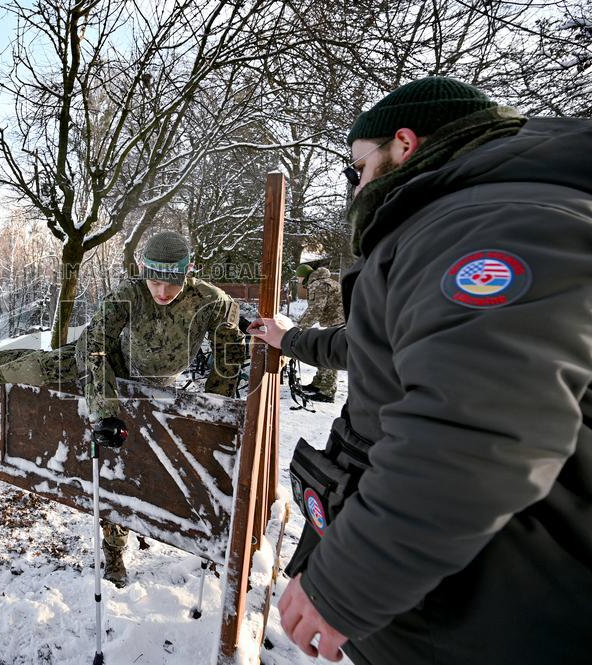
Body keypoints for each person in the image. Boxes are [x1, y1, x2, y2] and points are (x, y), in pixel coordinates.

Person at [250, 77, 591, 664]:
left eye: (359, 167)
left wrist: (348, 583)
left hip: (496, 614)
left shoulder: (483, 220)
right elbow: (372, 344)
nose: (356, 186)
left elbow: (481, 426)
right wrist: (289, 339)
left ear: (403, 145)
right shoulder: (462, 214)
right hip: (465, 594)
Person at [0, 230, 249, 587]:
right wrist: (103, 410)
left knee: (135, 469)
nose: (161, 292)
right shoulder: (128, 295)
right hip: (105, 366)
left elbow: (228, 360)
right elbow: (94, 346)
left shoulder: (212, 302)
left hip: (155, 388)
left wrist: (216, 413)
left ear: (188, 274)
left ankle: (121, 541)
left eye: (171, 283)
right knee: (34, 367)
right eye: (154, 280)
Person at [293, 264, 344, 402]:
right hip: (335, 322)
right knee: (322, 351)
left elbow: (315, 310)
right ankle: (318, 384)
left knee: (328, 353)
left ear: (303, 276)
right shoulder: (324, 281)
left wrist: (297, 329)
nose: (298, 280)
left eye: (298, 277)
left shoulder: (318, 284)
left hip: (335, 324)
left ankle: (327, 391)